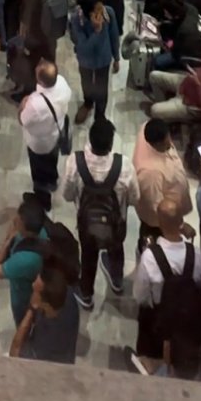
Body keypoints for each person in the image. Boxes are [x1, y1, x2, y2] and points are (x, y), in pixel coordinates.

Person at [63, 116, 138, 310]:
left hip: (87, 224)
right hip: (115, 224)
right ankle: (117, 281)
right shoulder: (125, 166)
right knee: (116, 250)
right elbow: (135, 199)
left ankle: (86, 294)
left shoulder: (75, 162)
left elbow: (67, 195)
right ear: (111, 143)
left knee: (88, 256)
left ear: (90, 139)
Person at [132, 197, 201, 379]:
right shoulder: (195, 255)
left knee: (150, 359)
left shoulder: (150, 257)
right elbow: (198, 281)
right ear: (182, 222)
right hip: (186, 322)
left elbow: (140, 295)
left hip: (156, 320)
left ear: (159, 223)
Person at [19, 59, 72, 204]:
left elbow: (23, 120)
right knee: (51, 161)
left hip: (39, 144)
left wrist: (23, 104)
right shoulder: (61, 82)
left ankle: (43, 198)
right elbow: (69, 95)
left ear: (40, 80)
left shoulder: (35, 103)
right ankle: (53, 180)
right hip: (56, 133)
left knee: (38, 171)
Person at [0, 197, 50, 324]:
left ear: (26, 230)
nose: (14, 220)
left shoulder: (24, 261)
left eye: (18, 221)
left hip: (24, 299)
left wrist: (7, 241)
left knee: (24, 324)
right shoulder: (42, 232)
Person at [10, 261, 80, 365]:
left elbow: (14, 352)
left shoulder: (47, 343)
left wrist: (31, 309)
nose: (33, 285)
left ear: (46, 304)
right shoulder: (67, 295)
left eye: (36, 290)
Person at [133, 119, 191, 239]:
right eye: (165, 142)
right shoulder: (150, 174)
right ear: (155, 144)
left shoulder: (149, 128)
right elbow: (155, 208)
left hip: (173, 207)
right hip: (160, 225)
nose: (169, 143)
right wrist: (179, 226)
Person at [69, 0, 120, 125]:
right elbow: (83, 47)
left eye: (101, 7)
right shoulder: (77, 19)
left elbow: (114, 36)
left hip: (103, 59)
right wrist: (97, 31)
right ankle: (88, 103)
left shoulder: (108, 13)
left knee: (102, 87)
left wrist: (117, 57)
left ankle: (100, 114)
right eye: (97, 9)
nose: (101, 11)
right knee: (87, 83)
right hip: (85, 60)